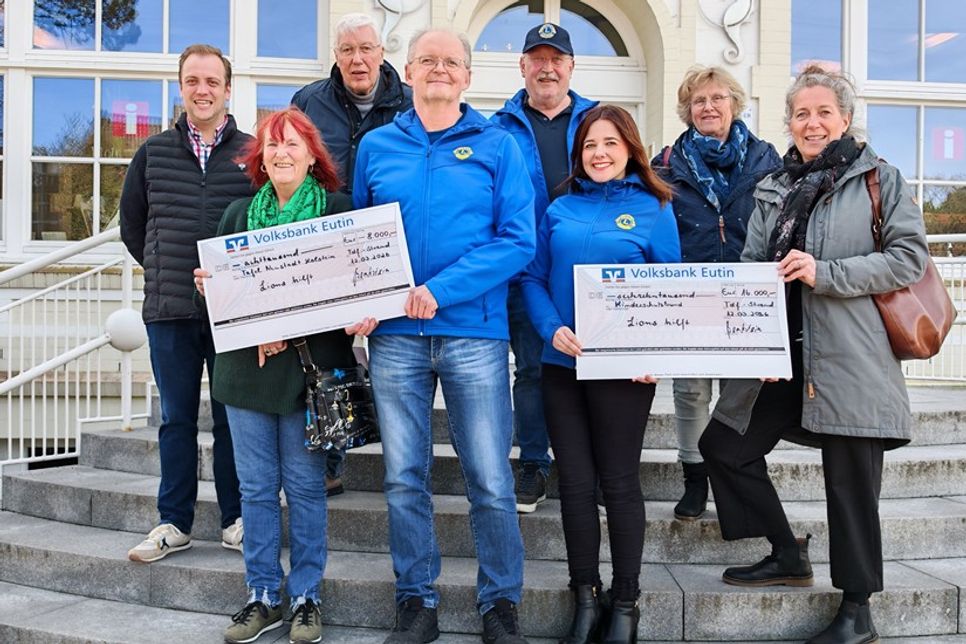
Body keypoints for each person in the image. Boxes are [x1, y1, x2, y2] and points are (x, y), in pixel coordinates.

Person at [699, 65, 929, 644]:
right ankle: (786, 551)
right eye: (802, 113)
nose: (813, 122)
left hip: (851, 357)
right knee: (723, 446)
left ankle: (857, 610)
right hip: (781, 356)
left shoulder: (880, 178)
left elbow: (908, 258)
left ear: (845, 119)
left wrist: (825, 273)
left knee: (850, 486)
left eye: (824, 112)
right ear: (789, 122)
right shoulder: (773, 187)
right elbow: (752, 265)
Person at [352, 28, 535, 644]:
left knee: (490, 478)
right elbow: (361, 237)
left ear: (467, 76)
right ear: (406, 73)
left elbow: (518, 241)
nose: (438, 69)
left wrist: (443, 289)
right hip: (395, 337)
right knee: (404, 476)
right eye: (426, 60)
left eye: (450, 62)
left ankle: (500, 604)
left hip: (474, 333)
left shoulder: (499, 145)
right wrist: (364, 300)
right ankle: (416, 602)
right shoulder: (376, 145)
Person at [194, 107, 377, 644]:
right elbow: (220, 304)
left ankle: (305, 596)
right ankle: (262, 595)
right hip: (244, 375)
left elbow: (349, 290)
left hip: (308, 376)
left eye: (293, 144)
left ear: (312, 155)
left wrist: (281, 324)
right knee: (254, 490)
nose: (282, 153)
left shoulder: (339, 213)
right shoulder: (236, 215)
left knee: (304, 489)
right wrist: (211, 290)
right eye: (272, 145)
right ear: (260, 157)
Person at [522, 104, 680, 644]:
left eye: (610, 143)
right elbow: (533, 278)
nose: (599, 153)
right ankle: (585, 598)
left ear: (630, 149)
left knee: (618, 481)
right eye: (590, 145)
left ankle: (626, 603)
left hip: (623, 371)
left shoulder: (655, 209)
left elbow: (670, 291)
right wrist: (550, 329)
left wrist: (654, 356)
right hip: (562, 365)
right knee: (574, 484)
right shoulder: (560, 208)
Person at [120, 44, 251, 563]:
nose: (202, 90)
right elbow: (133, 226)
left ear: (227, 89)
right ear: (181, 87)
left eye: (212, 81)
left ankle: (236, 519)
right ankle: (174, 522)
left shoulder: (251, 152)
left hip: (231, 311)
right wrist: (163, 269)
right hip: (170, 309)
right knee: (176, 419)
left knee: (231, 419)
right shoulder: (153, 152)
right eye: (193, 80)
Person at [292, 12, 413, 497]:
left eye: (366, 49)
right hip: (325, 245)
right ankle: (330, 458)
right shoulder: (309, 101)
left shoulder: (409, 102)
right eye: (347, 50)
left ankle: (403, 465)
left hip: (389, 247)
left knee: (392, 353)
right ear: (336, 56)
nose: (357, 59)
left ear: (382, 53)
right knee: (327, 352)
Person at [652, 66, 781, 521]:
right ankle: (695, 477)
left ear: (735, 104)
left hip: (746, 295)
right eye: (698, 101)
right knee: (690, 390)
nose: (708, 107)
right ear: (687, 110)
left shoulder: (766, 159)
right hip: (690, 294)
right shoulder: (666, 164)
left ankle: (734, 475)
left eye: (717, 98)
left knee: (738, 392)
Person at [491, 22, 598, 514]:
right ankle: (534, 463)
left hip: (587, 271)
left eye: (557, 59)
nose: (547, 68)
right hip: (523, 271)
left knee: (592, 369)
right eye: (538, 58)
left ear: (571, 67)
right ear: (523, 66)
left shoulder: (598, 120)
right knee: (532, 370)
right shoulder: (496, 127)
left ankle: (594, 467)